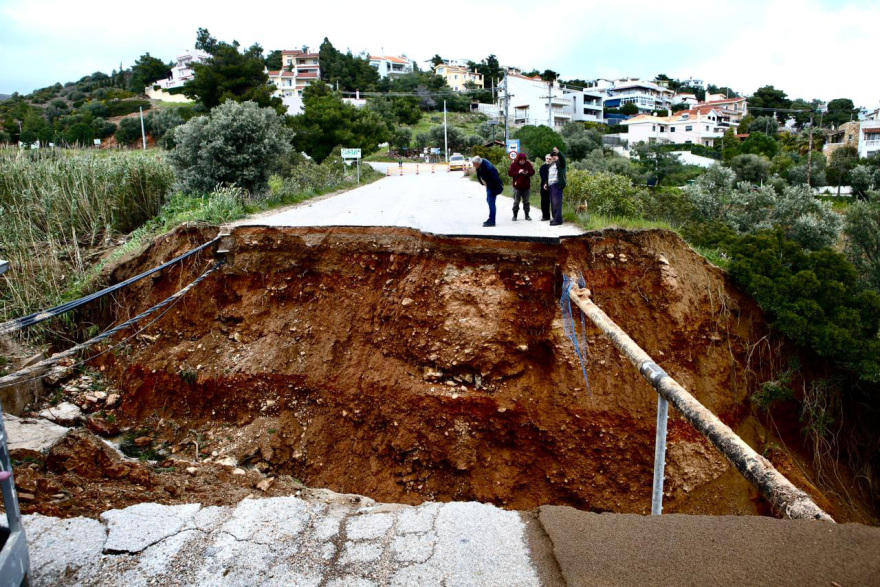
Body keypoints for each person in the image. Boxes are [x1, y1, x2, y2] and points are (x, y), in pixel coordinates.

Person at [472, 156, 504, 227]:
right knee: (489, 201)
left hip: (493, 187)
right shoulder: (480, 164)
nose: (473, 165)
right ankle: (491, 218)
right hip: (489, 185)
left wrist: (492, 188)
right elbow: (478, 174)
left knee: (491, 202)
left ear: (478, 163)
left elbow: (496, 179)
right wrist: (482, 183)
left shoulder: (489, 168)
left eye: (474, 164)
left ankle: (492, 221)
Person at [507, 152, 535, 221]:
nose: (522, 161)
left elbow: (532, 172)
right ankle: (515, 216)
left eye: (523, 160)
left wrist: (527, 172)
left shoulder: (528, 164)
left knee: (526, 202)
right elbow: (510, 173)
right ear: (518, 159)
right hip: (517, 187)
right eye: (521, 160)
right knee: (516, 202)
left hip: (526, 187)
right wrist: (518, 172)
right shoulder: (514, 164)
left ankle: (527, 215)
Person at [548, 146, 567, 226]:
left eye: (556, 155)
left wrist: (558, 151)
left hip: (557, 185)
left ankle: (558, 220)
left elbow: (563, 159)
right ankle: (555, 218)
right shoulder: (552, 164)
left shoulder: (560, 164)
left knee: (557, 203)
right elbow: (549, 175)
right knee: (553, 203)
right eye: (553, 156)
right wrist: (546, 184)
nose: (554, 157)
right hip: (551, 185)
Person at [538, 154, 552, 221]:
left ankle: (551, 216)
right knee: (544, 201)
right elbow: (543, 176)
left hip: (552, 186)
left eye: (550, 159)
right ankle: (545, 216)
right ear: (545, 159)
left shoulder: (553, 167)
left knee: (552, 201)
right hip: (544, 186)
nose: (548, 160)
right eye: (547, 158)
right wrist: (546, 183)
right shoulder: (542, 167)